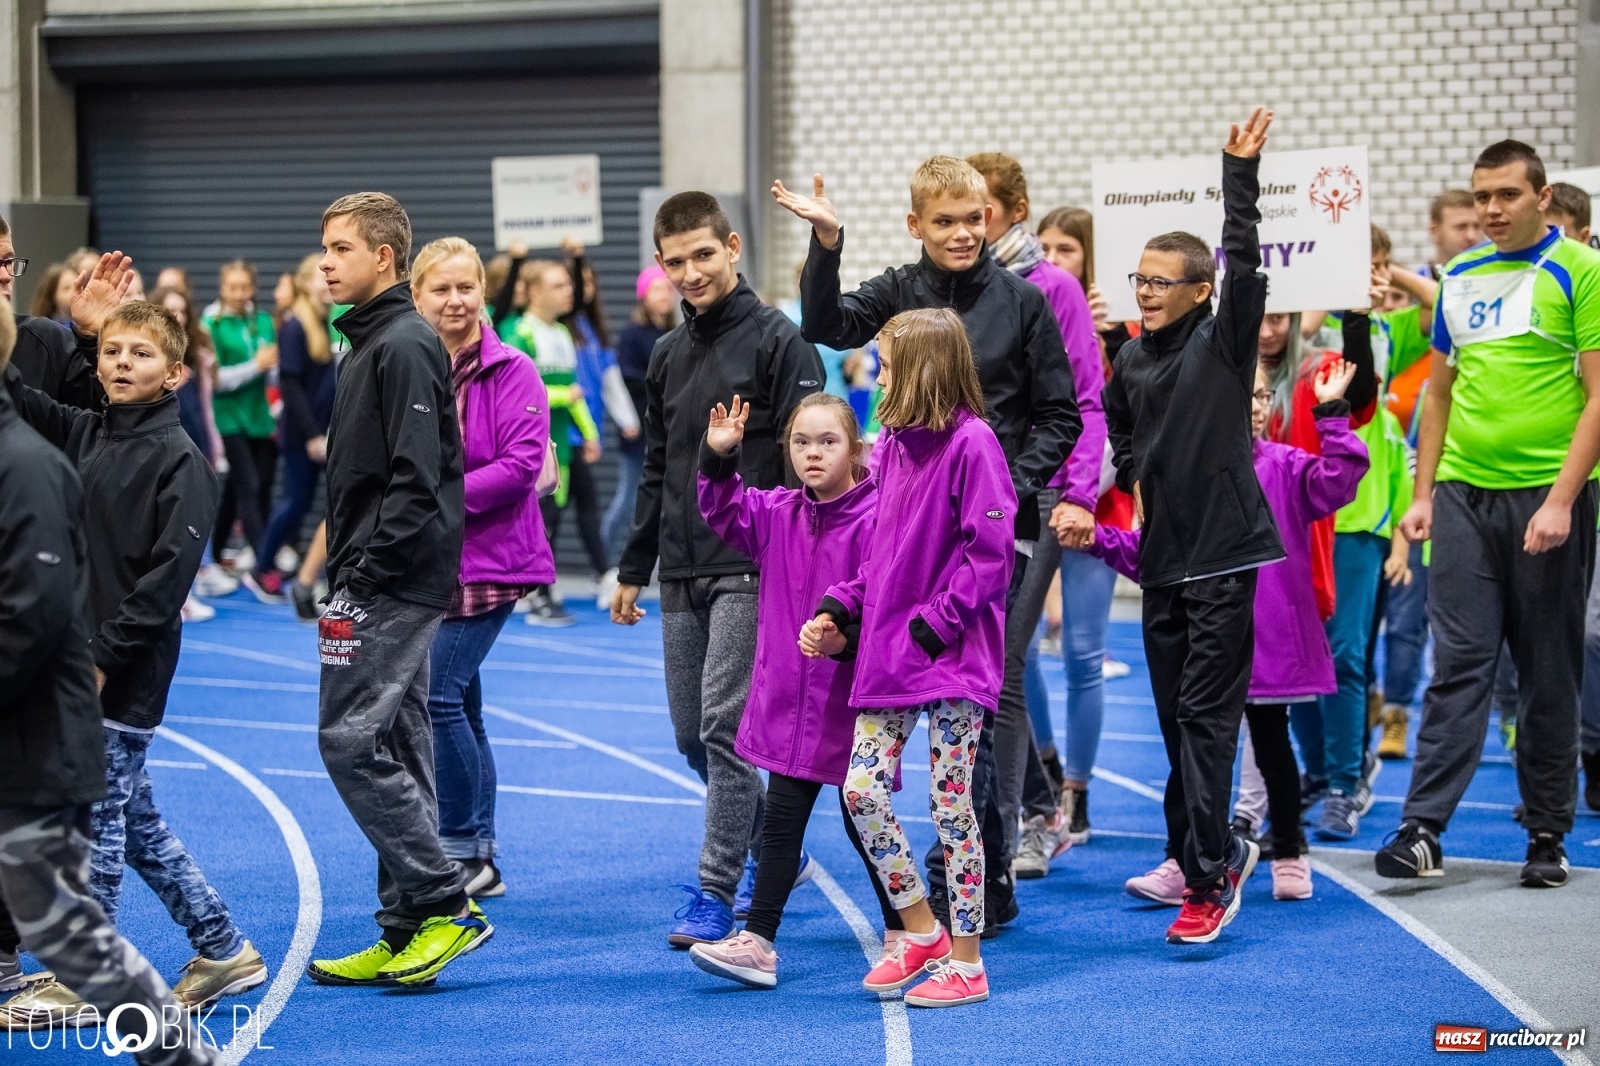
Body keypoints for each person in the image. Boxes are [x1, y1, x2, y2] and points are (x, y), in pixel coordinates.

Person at [774, 153, 1081, 932]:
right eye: (943, 222)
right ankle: (954, 880)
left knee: (986, 695)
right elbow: (822, 324)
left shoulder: (1023, 302)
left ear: (992, 218)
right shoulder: (900, 291)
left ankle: (979, 875)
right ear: (916, 226)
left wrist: (1000, 488)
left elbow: (1062, 417)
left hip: (992, 533)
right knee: (937, 707)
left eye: (973, 219)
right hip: (909, 536)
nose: (961, 233)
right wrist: (827, 243)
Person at [3, 289, 268, 1016]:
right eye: (113, 352)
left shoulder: (182, 462)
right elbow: (18, 394)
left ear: (174, 374)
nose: (123, 363)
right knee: (138, 820)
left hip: (124, 673)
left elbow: (164, 583)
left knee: (103, 822)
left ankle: (88, 978)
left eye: (140, 353)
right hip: (78, 664)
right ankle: (224, 950)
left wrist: (101, 659)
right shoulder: (87, 434)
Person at [1378, 141, 1600, 890]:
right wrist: (1422, 495)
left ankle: (1546, 832)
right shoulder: (1461, 277)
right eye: (1482, 198)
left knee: (1547, 668)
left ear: (1542, 197)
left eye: (1507, 195)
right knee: (1461, 661)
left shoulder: (1581, 271)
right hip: (1464, 495)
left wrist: (1563, 501)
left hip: (1548, 497)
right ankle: (1421, 828)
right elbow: (1438, 393)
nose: (1493, 210)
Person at [612, 191, 824, 947]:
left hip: (751, 564)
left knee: (723, 729)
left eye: (704, 254)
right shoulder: (667, 356)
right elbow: (657, 465)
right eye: (676, 261)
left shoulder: (779, 342)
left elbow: (811, 465)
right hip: (679, 571)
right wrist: (634, 566)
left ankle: (715, 891)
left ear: (732, 247)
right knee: (686, 738)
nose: (692, 271)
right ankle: (777, 845)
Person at [1101, 107, 1280, 944]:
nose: (1144, 290)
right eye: (1138, 279)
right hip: (1162, 560)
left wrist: (1236, 177)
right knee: (1178, 718)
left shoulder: (1222, 340)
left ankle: (1211, 876)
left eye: (1160, 281)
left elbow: (1245, 261)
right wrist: (1135, 473)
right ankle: (1195, 847)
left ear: (1200, 293)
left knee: (1207, 716)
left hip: (1223, 556)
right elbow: (1120, 423)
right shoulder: (1131, 355)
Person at [802, 308, 1014, 1007]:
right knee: (860, 790)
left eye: (888, 365)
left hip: (950, 657)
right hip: (892, 657)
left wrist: (934, 624)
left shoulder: (974, 444)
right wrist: (843, 605)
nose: (878, 375)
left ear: (921, 369)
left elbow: (990, 558)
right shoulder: (891, 445)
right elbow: (881, 555)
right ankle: (921, 929)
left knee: (951, 806)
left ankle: (968, 960)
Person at [306, 191, 489, 987]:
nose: (325, 261)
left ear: (383, 259)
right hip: (377, 575)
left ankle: (446, 903)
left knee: (346, 739)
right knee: (396, 743)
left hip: (390, 581)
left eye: (340, 248)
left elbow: (418, 483)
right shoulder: (366, 345)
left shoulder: (407, 341)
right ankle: (404, 926)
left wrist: (362, 576)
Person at [1110, 359, 1366, 903]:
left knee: (1273, 746)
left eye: (1260, 395)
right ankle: (1186, 858)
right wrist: (1099, 539)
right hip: (1203, 636)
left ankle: (1291, 849)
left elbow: (1341, 480)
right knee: (1192, 753)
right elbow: (1154, 554)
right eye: (1241, 395)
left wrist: (1333, 416)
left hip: (1267, 639)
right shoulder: (1186, 476)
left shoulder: (1286, 467)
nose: (1252, 405)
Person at [688, 392, 890, 989]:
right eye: (801, 442)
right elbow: (723, 511)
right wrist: (718, 457)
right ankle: (760, 942)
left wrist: (840, 633)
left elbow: (875, 591)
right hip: (790, 704)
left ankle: (907, 928)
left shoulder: (879, 516)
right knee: (780, 824)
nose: (813, 453)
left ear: (855, 449)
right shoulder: (777, 512)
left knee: (866, 820)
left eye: (828, 442)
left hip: (852, 699)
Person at [964, 152, 1105, 878]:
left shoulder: (1053, 289)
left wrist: (1078, 491)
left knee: (1007, 662)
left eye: (982, 206)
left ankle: (1022, 822)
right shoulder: (955, 289)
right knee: (982, 661)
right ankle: (1043, 803)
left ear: (1016, 211)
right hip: (968, 494)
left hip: (1040, 492)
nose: (970, 222)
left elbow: (1084, 397)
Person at [413, 236, 552, 900]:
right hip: (428, 562)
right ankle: (480, 853)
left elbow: (521, 468)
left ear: (483, 293)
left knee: (439, 697)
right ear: (416, 297)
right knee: (462, 704)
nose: (456, 299)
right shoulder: (408, 367)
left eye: (466, 286)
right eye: (441, 288)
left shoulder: (515, 369)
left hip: (492, 560)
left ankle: (460, 848)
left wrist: (437, 499)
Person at [507, 258, 602, 626]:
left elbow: (575, 394)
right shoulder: (520, 334)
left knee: (554, 521)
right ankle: (536, 594)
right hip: (528, 444)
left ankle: (542, 588)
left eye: (568, 285)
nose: (569, 292)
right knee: (537, 521)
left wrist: (590, 433)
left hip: (560, 443)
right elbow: (518, 393)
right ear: (534, 292)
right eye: (559, 285)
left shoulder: (563, 334)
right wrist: (563, 395)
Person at [256, 254, 337, 599]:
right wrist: (313, 434)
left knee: (306, 504)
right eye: (321, 275)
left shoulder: (322, 321)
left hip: (319, 432)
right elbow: (290, 386)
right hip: (302, 435)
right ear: (306, 282)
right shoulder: (295, 326)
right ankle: (261, 568)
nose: (328, 279)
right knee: (295, 503)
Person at [563, 240, 641, 594]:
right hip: (563, 433)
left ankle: (602, 572)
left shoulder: (593, 330)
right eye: (581, 284)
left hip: (584, 430)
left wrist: (626, 419)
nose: (584, 291)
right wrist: (576, 258)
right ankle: (604, 572)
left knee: (580, 507)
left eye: (589, 283)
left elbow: (609, 381)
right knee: (577, 507)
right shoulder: (562, 327)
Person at [598, 265, 675, 603]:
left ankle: (652, 568)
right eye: (658, 290)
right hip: (637, 428)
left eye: (667, 290)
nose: (665, 295)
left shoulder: (674, 330)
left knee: (661, 501)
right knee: (628, 500)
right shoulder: (633, 334)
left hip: (665, 429)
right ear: (644, 296)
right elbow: (625, 378)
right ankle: (602, 564)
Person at [204, 259, 280, 600]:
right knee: (248, 484)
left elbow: (274, 371)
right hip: (229, 416)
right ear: (222, 288)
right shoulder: (211, 323)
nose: (238, 293)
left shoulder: (262, 321)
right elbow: (217, 379)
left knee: (246, 487)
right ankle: (264, 565)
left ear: (253, 288)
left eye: (244, 287)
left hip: (259, 416)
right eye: (231, 287)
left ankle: (219, 553)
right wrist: (256, 366)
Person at [1, 218, 101, 408]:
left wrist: (92, 340)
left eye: (8, 262)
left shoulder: (47, 341)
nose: (6, 275)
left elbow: (101, 417)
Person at [1425, 189, 1484, 279]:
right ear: (1434, 231)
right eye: (1461, 227)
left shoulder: (1496, 281)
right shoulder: (1411, 286)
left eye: (1477, 226)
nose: (1471, 236)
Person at [29, 261, 77, 327]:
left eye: (77, 285)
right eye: (67, 288)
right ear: (52, 295)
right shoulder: (46, 329)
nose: (75, 291)